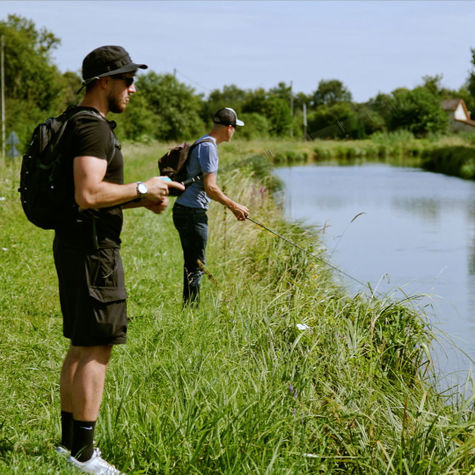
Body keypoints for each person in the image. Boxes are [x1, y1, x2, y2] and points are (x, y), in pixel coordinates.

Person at [53, 45, 184, 474]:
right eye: (127, 80)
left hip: (77, 245)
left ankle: (69, 444)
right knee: (97, 347)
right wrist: (143, 189)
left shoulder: (77, 122)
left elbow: (91, 198)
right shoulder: (93, 129)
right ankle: (85, 455)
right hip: (94, 254)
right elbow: (88, 193)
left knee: (80, 344)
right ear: (104, 83)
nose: (133, 88)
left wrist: (139, 200)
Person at [172, 107, 249, 306]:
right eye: (235, 128)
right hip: (192, 212)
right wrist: (234, 206)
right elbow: (210, 188)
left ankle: (189, 309)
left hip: (185, 209)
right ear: (229, 128)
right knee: (196, 265)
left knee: (192, 263)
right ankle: (191, 311)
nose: (234, 132)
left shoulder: (202, 142)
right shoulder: (209, 147)